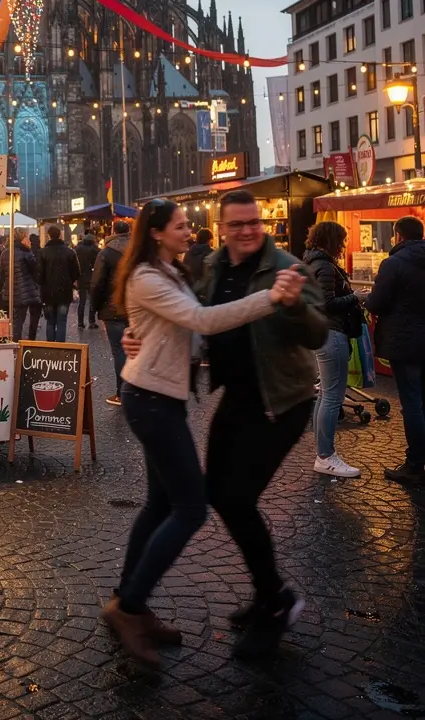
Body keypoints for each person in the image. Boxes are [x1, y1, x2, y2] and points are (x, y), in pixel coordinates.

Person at [123, 188, 328, 660]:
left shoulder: (287, 268)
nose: (248, 230)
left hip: (280, 401)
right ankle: (266, 594)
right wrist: (140, 335)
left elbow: (318, 333)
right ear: (222, 228)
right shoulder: (210, 267)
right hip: (235, 398)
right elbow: (187, 317)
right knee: (218, 495)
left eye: (253, 222)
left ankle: (276, 601)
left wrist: (293, 305)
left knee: (235, 498)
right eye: (237, 224)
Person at [366, 214, 425, 486]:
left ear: (399, 235)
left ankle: (414, 465)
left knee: (412, 404)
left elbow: (376, 303)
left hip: (405, 343)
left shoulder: (394, 263)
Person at [303, 221, 363, 479]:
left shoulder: (312, 262)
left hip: (323, 333)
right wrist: (356, 297)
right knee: (331, 397)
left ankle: (323, 453)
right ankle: (326, 456)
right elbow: (328, 303)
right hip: (332, 333)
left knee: (325, 395)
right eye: (341, 240)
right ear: (331, 240)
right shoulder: (325, 266)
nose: (343, 244)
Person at [90, 220, 132, 406]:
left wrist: (96, 307)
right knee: (135, 350)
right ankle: (137, 391)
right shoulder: (136, 251)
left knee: (119, 351)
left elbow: (98, 283)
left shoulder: (106, 253)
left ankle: (123, 393)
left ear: (113, 231)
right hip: (135, 308)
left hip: (112, 308)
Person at [37, 225, 79, 342]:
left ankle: (51, 347)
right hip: (64, 292)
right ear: (60, 235)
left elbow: (39, 275)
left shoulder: (42, 252)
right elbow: (76, 273)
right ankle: (60, 348)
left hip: (48, 293)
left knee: (50, 321)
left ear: (49, 236)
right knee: (62, 321)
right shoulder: (70, 252)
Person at [0, 227, 42, 340]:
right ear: (23, 236)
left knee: (16, 319)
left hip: (10, 290)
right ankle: (26, 342)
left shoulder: (4, 253)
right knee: (25, 318)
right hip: (27, 291)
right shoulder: (25, 252)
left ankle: (14, 341)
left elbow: (1, 273)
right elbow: (35, 270)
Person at [74, 231, 100, 331]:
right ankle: (92, 321)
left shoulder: (78, 249)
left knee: (82, 301)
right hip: (92, 278)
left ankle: (80, 322)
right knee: (92, 301)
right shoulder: (95, 250)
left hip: (81, 278)